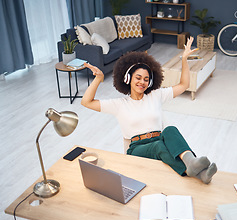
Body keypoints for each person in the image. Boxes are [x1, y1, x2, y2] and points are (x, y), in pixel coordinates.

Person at [81, 37, 217, 184]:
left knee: (170, 130)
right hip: (137, 148)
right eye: (138, 78)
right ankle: (196, 173)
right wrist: (98, 78)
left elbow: (184, 85)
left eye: (146, 79)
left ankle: (192, 163)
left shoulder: (156, 95)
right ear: (128, 78)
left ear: (150, 82)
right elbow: (86, 102)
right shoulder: (119, 104)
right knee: (159, 146)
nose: (142, 82)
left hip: (158, 139)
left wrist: (184, 59)